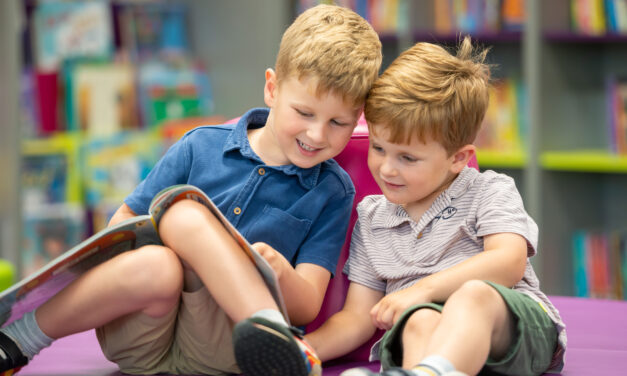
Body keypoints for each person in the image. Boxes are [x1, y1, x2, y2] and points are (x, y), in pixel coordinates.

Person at [0, 5, 382, 376]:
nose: (317, 135)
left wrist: (280, 272)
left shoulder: (333, 190)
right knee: (163, 253)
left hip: (231, 349)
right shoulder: (199, 145)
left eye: (338, 122)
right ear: (272, 88)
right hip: (143, 332)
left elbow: (306, 306)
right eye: (304, 113)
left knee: (181, 214)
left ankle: (269, 331)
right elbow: (120, 230)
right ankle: (17, 340)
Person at [304, 37, 566, 376]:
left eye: (407, 158)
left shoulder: (488, 189)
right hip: (430, 339)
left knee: (473, 295)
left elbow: (509, 262)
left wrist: (422, 289)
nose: (386, 169)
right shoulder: (372, 218)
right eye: (379, 148)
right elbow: (357, 318)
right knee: (418, 320)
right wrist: (305, 349)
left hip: (510, 333)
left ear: (458, 158)